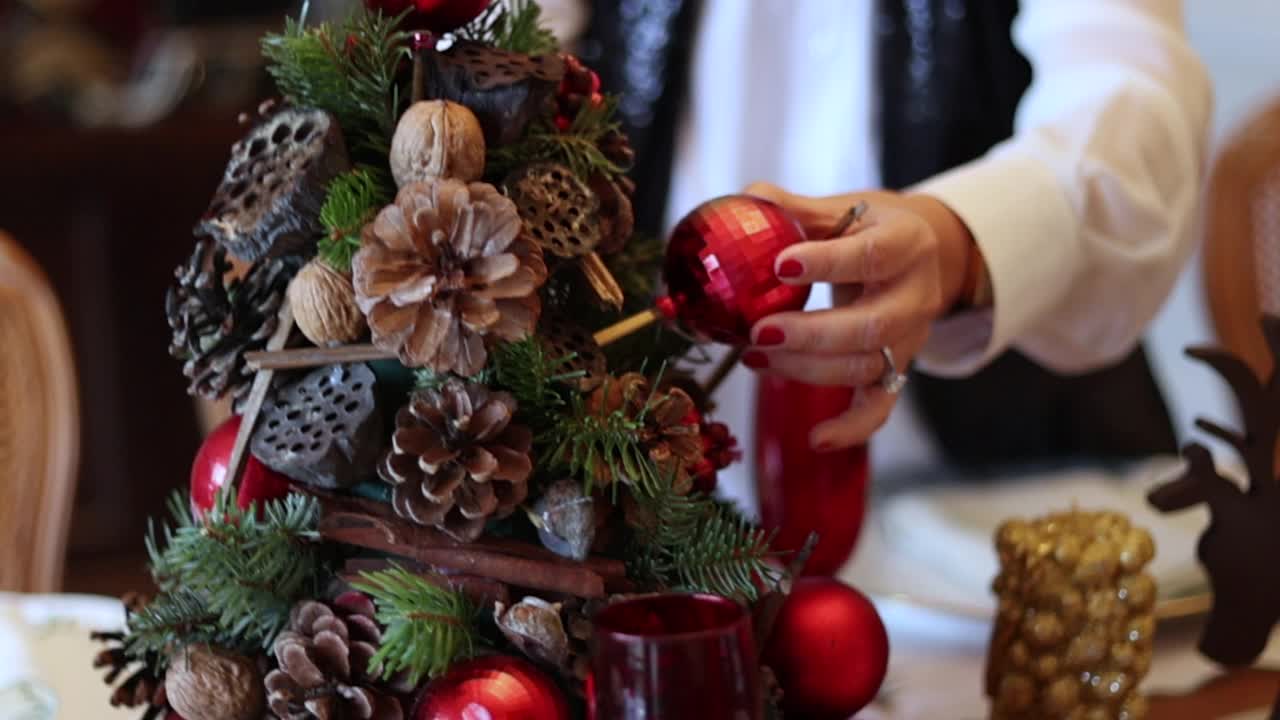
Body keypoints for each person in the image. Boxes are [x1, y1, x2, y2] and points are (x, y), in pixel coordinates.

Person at [564, 0, 1212, 507]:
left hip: (1005, 510)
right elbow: (515, 65)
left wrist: (961, 239)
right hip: (643, 514)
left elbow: (1133, 109)